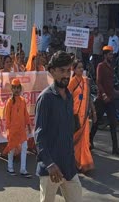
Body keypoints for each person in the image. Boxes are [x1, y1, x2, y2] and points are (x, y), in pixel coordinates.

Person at [35, 51, 82, 202]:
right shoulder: (46, 98)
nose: (66, 75)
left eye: (68, 70)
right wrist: (49, 164)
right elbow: (39, 135)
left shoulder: (69, 96)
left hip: (68, 165)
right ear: (52, 71)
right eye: (62, 71)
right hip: (51, 168)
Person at [90, 46, 119, 156]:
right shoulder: (101, 66)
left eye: (112, 54)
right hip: (101, 99)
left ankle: (115, 148)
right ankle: (89, 141)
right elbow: (99, 82)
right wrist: (104, 94)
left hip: (110, 100)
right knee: (96, 122)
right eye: (110, 54)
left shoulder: (111, 67)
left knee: (113, 123)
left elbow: (110, 85)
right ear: (105, 55)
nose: (112, 56)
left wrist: (117, 92)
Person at [68, 59, 95, 173]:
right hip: (75, 116)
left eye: (82, 67)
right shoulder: (72, 82)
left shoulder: (85, 81)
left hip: (84, 116)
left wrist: (93, 112)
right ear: (73, 69)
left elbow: (89, 98)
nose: (81, 69)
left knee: (84, 141)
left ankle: (84, 163)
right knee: (74, 141)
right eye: (78, 67)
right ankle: (73, 162)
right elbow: (68, 99)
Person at [3, 78, 32, 177]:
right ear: (12, 89)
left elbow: (26, 114)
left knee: (24, 148)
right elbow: (7, 117)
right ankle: (9, 167)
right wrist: (8, 130)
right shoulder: (10, 102)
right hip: (12, 129)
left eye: (18, 88)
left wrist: (28, 125)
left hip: (21, 129)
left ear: (20, 88)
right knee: (11, 148)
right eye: (14, 88)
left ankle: (23, 169)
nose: (16, 90)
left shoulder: (23, 100)